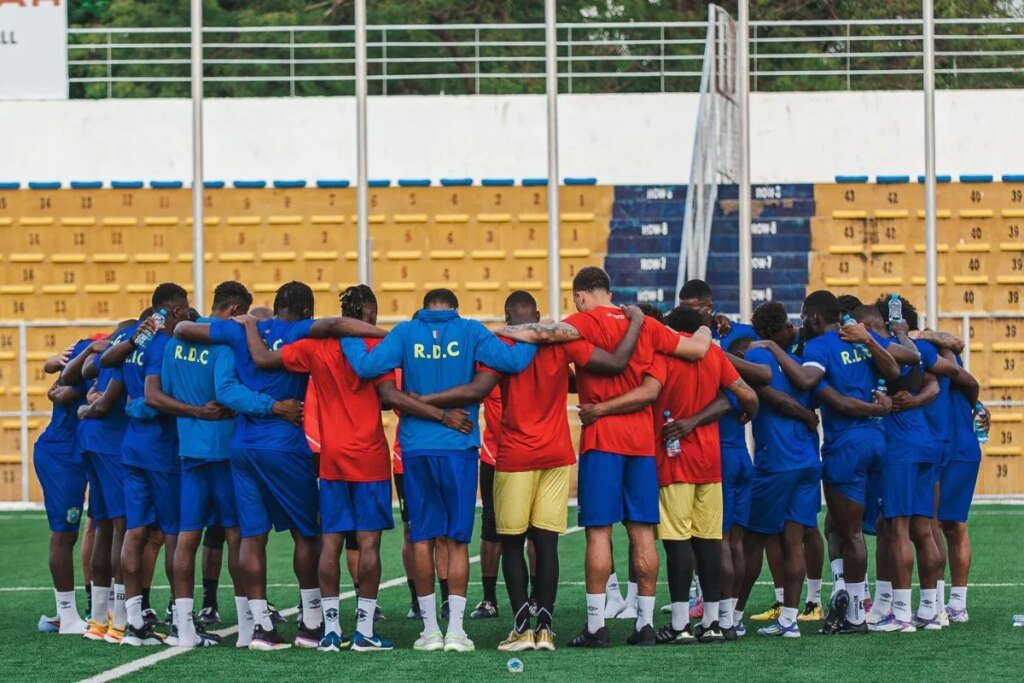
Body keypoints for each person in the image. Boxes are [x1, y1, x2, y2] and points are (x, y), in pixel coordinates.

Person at [493, 267, 713, 647]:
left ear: (580, 295)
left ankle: (596, 627)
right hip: (643, 444)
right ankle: (644, 625)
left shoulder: (579, 322)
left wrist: (494, 330)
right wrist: (708, 326)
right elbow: (697, 349)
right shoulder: (645, 324)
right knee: (643, 534)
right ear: (609, 291)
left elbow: (533, 333)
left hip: (601, 441)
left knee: (599, 533)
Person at [417, 290, 646, 651]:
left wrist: (427, 403)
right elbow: (616, 363)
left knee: (511, 544)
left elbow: (477, 390)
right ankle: (545, 630)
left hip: (515, 457)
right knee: (547, 544)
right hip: (556, 455)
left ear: (508, 319)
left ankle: (521, 628)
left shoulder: (500, 348)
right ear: (538, 315)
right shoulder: (561, 344)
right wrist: (635, 320)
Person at [243, 284, 466, 652]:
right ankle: (363, 629)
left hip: (331, 457)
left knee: (330, 543)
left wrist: (250, 326)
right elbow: (387, 398)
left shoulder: (315, 346)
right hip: (369, 457)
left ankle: (331, 631)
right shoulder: (375, 346)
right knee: (369, 544)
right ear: (368, 316)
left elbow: (264, 360)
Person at [174, 280, 386, 651]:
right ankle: (310, 623)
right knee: (307, 533)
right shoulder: (299, 330)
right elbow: (336, 326)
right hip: (286, 443)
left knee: (251, 536)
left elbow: (182, 328)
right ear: (305, 310)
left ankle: (261, 628)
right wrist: (387, 333)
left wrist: (247, 324)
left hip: (242, 444)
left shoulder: (240, 329)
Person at [339, 287, 538, 653]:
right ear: (454, 309)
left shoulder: (404, 332)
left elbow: (365, 367)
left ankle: (430, 630)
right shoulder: (471, 330)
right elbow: (515, 363)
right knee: (458, 540)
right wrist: (533, 333)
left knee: (422, 538)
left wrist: (348, 331)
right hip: (459, 447)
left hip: (415, 448)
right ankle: (457, 632)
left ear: (424, 309)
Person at [582, 305, 758, 645]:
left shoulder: (663, 355)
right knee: (709, 543)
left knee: (679, 545)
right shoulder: (713, 356)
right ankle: (711, 622)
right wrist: (745, 415)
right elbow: (747, 396)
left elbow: (646, 393)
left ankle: (679, 624)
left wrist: (602, 408)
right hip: (710, 463)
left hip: (674, 462)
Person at [751, 290, 904, 634]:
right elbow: (897, 365)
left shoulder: (819, 347)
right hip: (878, 441)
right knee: (886, 528)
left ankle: (855, 616)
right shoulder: (862, 339)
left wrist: (773, 348)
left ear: (814, 318)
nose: (802, 323)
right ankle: (889, 606)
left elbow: (806, 381)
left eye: (804, 317)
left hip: (846, 445)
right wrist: (878, 407)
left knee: (848, 533)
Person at [161, 281, 305, 648]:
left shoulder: (174, 345)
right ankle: (248, 627)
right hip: (225, 451)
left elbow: (162, 392)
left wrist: (192, 413)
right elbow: (227, 391)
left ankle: (184, 628)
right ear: (234, 308)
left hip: (190, 451)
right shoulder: (223, 341)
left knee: (186, 538)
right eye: (242, 313)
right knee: (240, 536)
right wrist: (272, 406)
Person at [96, 283, 206, 647]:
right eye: (186, 309)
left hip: (131, 446)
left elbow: (103, 362)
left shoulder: (135, 337)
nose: (188, 314)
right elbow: (156, 397)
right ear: (175, 310)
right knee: (175, 531)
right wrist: (196, 411)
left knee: (135, 529)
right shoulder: (163, 344)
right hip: (160, 447)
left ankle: (133, 622)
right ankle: (179, 619)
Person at [736, 302, 827, 638]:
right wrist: (806, 416)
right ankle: (789, 619)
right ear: (776, 329)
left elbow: (770, 398)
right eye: (788, 325)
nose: (793, 329)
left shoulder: (758, 357)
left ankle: (732, 615)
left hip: (776, 462)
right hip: (807, 460)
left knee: (751, 540)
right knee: (794, 541)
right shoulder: (801, 362)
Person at [64, 318, 138, 643]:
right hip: (111, 444)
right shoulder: (133, 348)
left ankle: (97, 620)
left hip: (91, 442)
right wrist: (93, 406)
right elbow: (109, 399)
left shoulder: (112, 345)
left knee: (102, 526)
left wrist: (90, 404)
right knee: (122, 527)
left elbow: (84, 374)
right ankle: (120, 622)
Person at [34, 336, 96, 634]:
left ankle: (94, 608)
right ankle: (67, 615)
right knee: (65, 533)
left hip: (84, 454)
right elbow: (57, 387)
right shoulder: (92, 359)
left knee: (99, 528)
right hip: (62, 457)